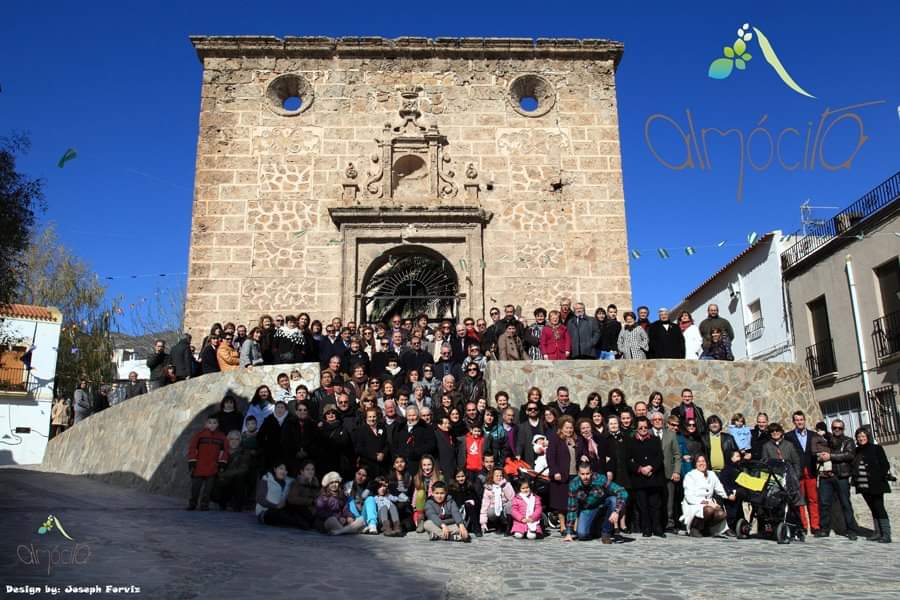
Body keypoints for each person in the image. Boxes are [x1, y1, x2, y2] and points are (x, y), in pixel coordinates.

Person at [816, 418, 860, 539]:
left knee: (845, 503)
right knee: (824, 503)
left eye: (839, 428)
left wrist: (830, 456)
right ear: (831, 428)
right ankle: (824, 529)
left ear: (843, 429)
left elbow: (849, 455)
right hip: (826, 476)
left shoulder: (848, 441)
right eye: (834, 427)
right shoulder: (826, 440)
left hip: (841, 476)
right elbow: (818, 451)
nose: (837, 430)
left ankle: (851, 530)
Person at [562, 461, 628, 543]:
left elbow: (622, 491)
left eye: (587, 474)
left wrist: (616, 511)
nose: (585, 477)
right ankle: (597, 526)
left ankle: (606, 532)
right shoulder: (574, 485)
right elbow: (572, 509)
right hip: (587, 509)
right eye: (582, 474)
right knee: (582, 535)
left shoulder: (600, 479)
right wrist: (569, 533)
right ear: (578, 473)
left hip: (603, 505)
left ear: (591, 472)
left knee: (614, 500)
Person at [851, 427, 893, 543]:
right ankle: (878, 532)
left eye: (863, 436)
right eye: (859, 437)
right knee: (873, 509)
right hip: (863, 485)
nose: (861, 438)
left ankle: (886, 534)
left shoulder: (876, 448)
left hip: (876, 484)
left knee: (879, 508)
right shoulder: (856, 451)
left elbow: (885, 464)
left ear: (867, 437)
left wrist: (878, 476)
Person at [784, 410, 821, 534]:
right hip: (797, 472)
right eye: (797, 420)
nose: (799, 422)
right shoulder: (789, 436)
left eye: (801, 420)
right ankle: (803, 525)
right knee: (799, 500)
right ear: (793, 422)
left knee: (813, 499)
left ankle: (815, 526)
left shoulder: (813, 435)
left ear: (805, 420)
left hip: (810, 470)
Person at [186, 415, 229, 511]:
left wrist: (222, 462)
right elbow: (192, 448)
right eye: (210, 422)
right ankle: (192, 503)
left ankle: (204, 504)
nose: (212, 425)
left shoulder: (222, 437)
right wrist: (192, 461)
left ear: (218, 424)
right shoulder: (199, 435)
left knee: (208, 489)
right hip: (199, 466)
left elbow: (225, 451)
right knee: (195, 487)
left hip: (213, 467)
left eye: (214, 423)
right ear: (206, 424)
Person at [681, 454, 730, 537]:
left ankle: (706, 528)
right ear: (695, 464)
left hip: (710, 503)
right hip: (694, 504)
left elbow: (720, 489)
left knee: (721, 514)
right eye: (698, 462)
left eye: (703, 461)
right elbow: (689, 497)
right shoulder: (690, 476)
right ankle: (695, 528)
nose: (701, 463)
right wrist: (707, 503)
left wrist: (728, 496)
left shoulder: (712, 474)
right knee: (709, 510)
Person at [547, 415, 578, 535]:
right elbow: (550, 457)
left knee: (574, 501)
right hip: (561, 475)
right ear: (561, 428)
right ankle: (563, 526)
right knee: (562, 503)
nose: (569, 430)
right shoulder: (555, 439)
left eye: (571, 428)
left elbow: (581, 452)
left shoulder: (576, 439)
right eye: (567, 427)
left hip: (575, 474)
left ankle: (574, 526)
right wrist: (555, 471)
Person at [213, 430, 254, 512]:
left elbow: (243, 469)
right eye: (231, 439)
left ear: (240, 441)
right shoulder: (222, 452)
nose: (234, 441)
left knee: (239, 477)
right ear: (227, 440)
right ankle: (221, 502)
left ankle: (237, 505)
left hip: (235, 481)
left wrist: (224, 474)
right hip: (223, 482)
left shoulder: (244, 452)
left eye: (237, 439)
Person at [480, 467, 515, 534]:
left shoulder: (507, 484)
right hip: (494, 509)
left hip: (505, 509)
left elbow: (512, 498)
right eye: (497, 476)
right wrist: (483, 522)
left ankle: (509, 526)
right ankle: (499, 526)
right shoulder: (488, 488)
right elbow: (484, 505)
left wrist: (504, 486)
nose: (499, 477)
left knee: (510, 504)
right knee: (490, 512)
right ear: (492, 477)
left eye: (500, 476)